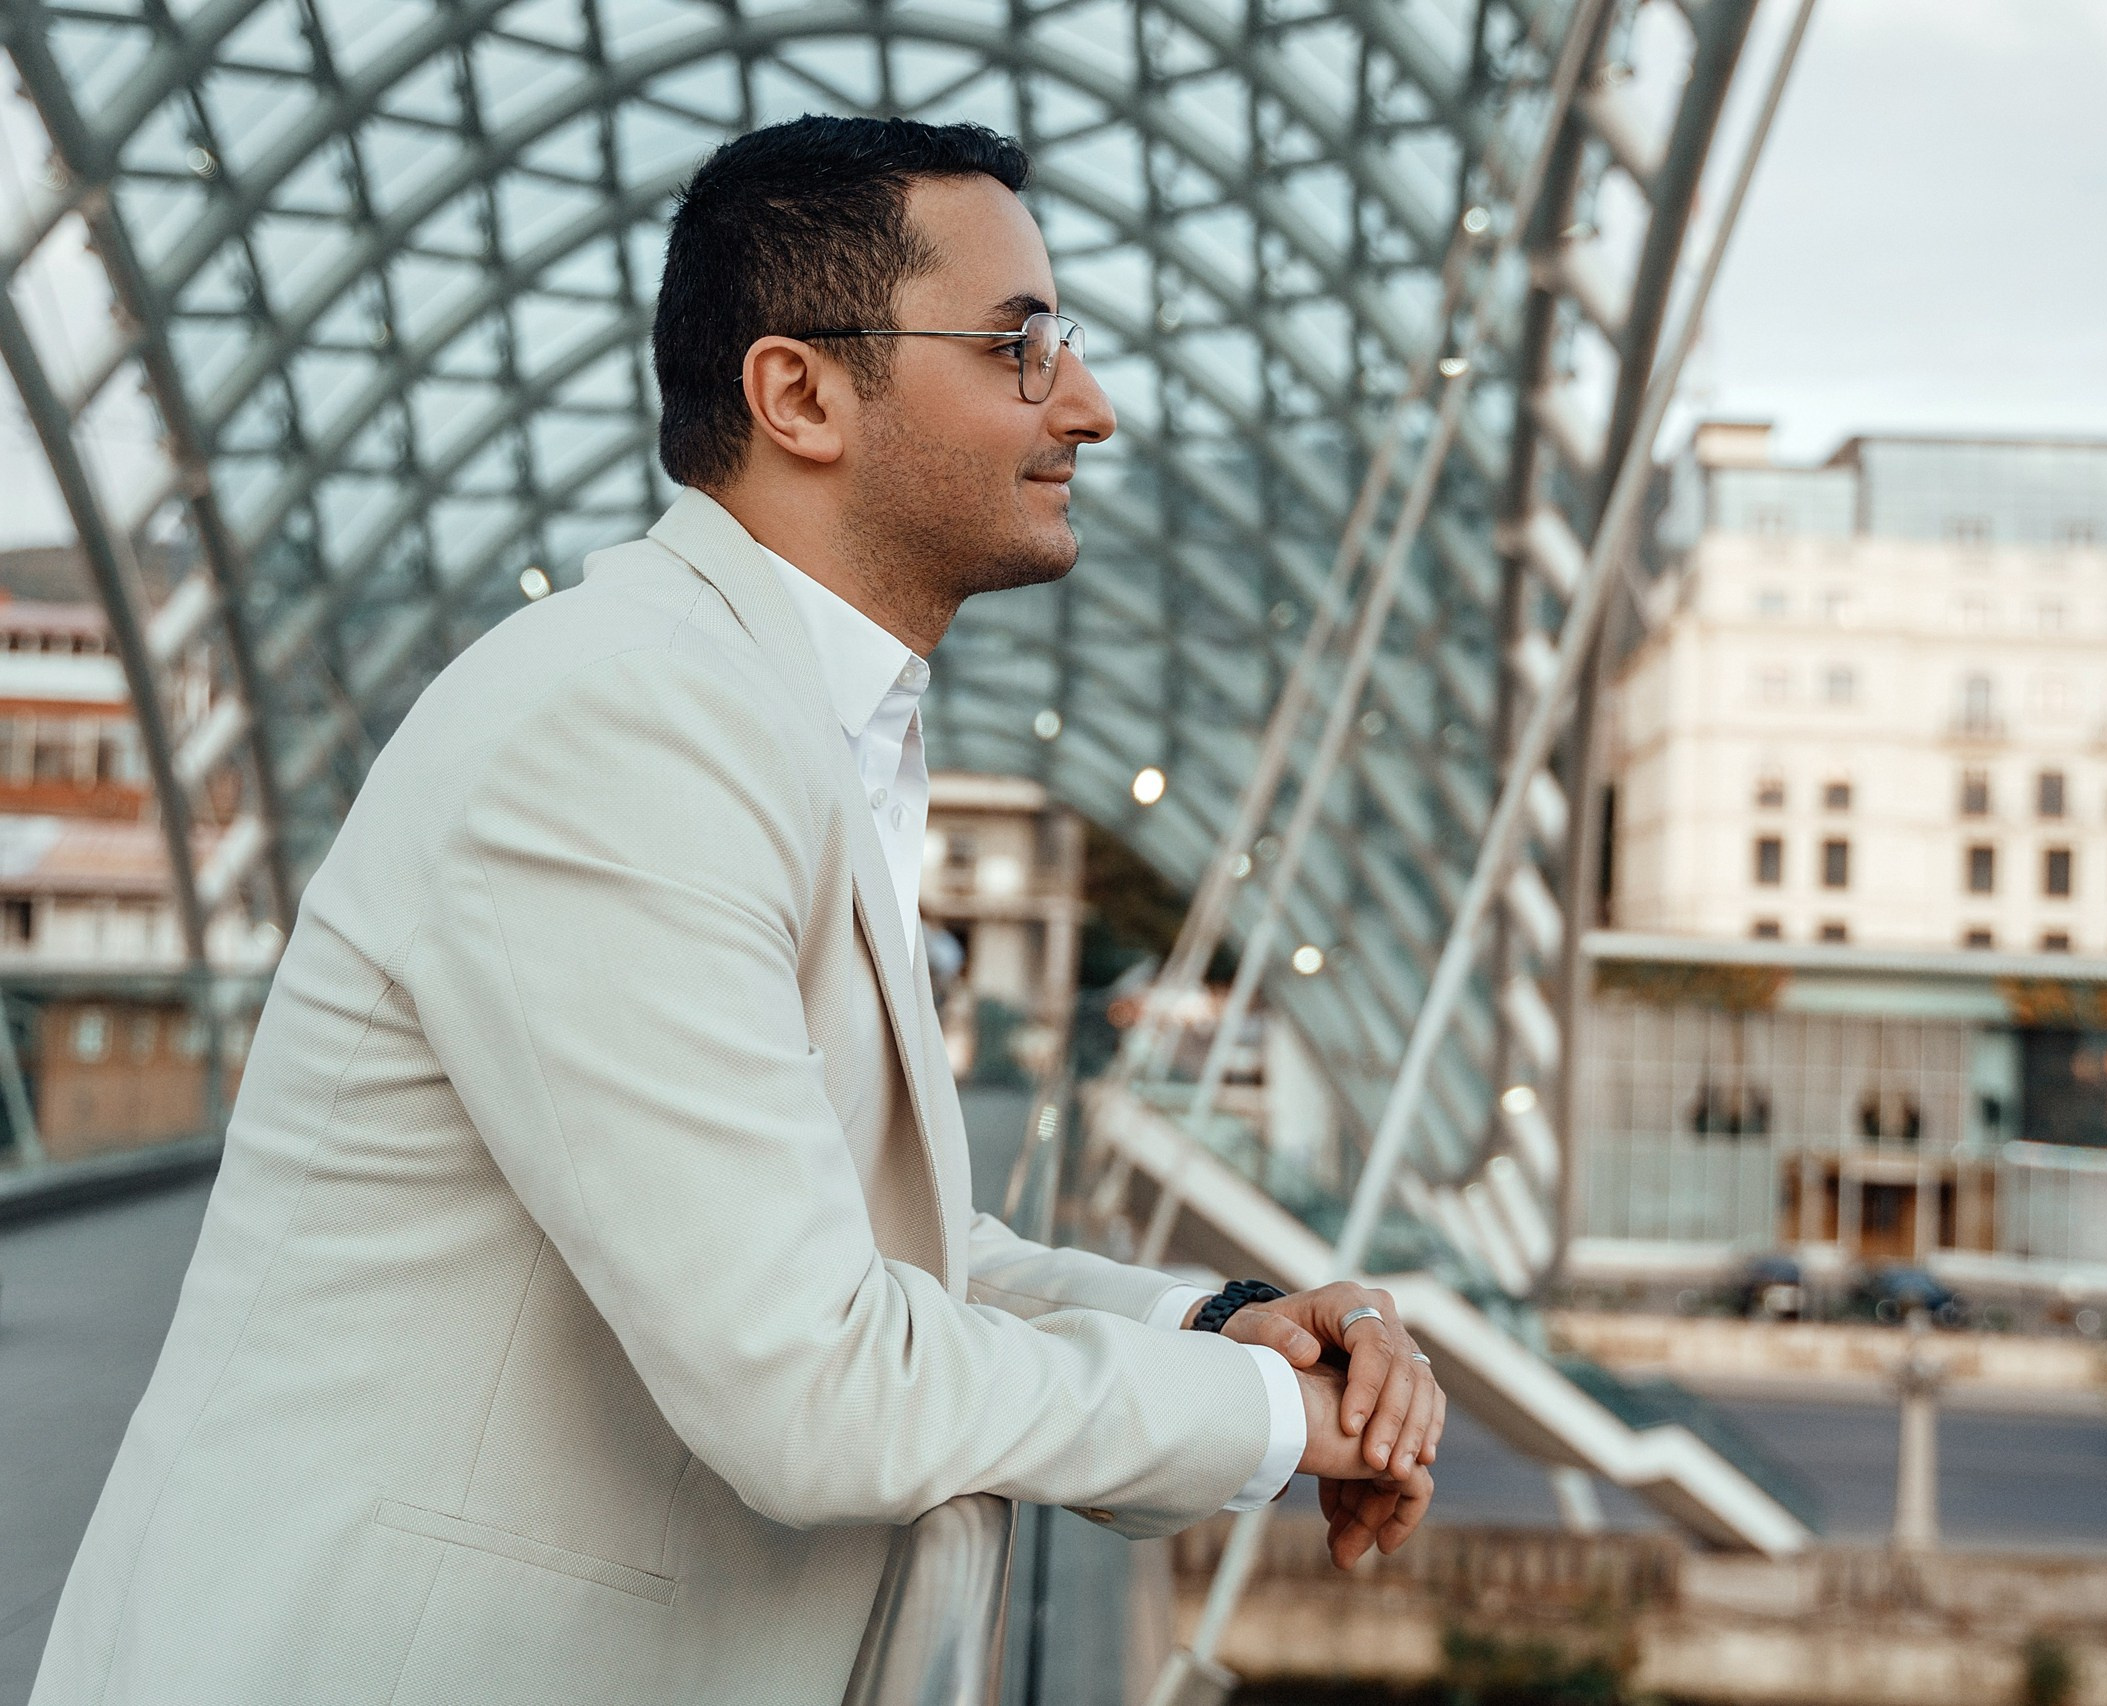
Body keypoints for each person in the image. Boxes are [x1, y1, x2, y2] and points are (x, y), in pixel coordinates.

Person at [31, 114, 1440, 1706]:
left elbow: (851, 1243)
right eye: (1020, 345)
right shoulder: (622, 723)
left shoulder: (781, 725)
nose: (1088, 407)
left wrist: (1222, 1322)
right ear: (799, 394)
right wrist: (1268, 1420)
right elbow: (811, 1376)